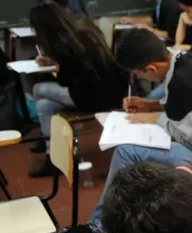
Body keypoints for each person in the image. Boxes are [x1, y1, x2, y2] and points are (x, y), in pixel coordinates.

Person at [87, 28, 192, 233]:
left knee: (126, 152)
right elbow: (187, 104)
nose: (137, 78)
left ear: (151, 68)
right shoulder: (184, 59)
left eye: (137, 74)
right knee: (136, 151)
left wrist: (157, 120)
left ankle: (100, 225)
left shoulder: (182, 81)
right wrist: (151, 105)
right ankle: (128, 216)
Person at [27, 3, 128, 177]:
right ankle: (53, 155)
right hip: (114, 92)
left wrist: (56, 66)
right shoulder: (85, 29)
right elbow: (81, 68)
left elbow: (65, 80)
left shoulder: (62, 44)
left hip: (92, 97)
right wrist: (56, 63)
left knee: (38, 89)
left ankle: (47, 141)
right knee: (44, 106)